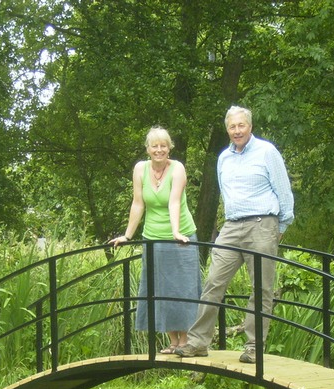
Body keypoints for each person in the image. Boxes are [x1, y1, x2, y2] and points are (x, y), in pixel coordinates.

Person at [175, 106, 294, 363]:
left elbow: (284, 193)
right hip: (231, 226)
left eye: (241, 125)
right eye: (232, 127)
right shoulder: (223, 158)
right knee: (213, 283)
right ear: (227, 129)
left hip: (263, 224)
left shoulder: (267, 152)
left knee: (260, 289)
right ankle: (197, 342)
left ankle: (254, 347)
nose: (237, 131)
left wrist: (280, 228)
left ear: (250, 126)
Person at [110, 127, 201, 353]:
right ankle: (173, 342)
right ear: (148, 149)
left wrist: (176, 232)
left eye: (163, 146)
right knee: (161, 289)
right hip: (153, 237)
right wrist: (127, 235)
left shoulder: (177, 168)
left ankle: (187, 341)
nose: (159, 150)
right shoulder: (140, 169)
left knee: (184, 289)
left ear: (169, 147)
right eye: (154, 146)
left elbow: (174, 201)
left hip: (181, 237)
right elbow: (138, 203)